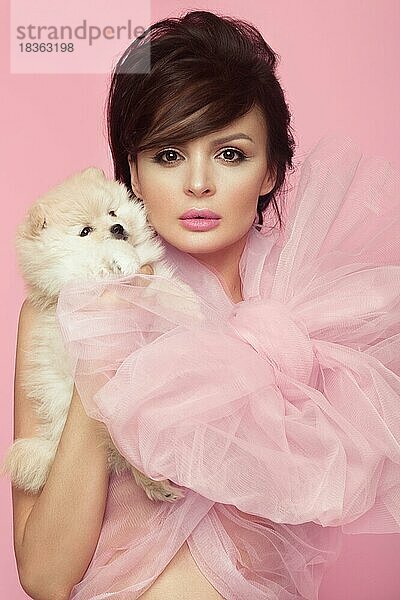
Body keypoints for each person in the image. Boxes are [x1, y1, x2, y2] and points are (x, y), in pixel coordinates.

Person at [11, 9, 400, 600]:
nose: (198, 183)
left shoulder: (315, 310)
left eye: (229, 153)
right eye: (168, 155)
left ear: (270, 171)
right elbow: (43, 576)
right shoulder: (66, 308)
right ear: (133, 175)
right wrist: (104, 354)